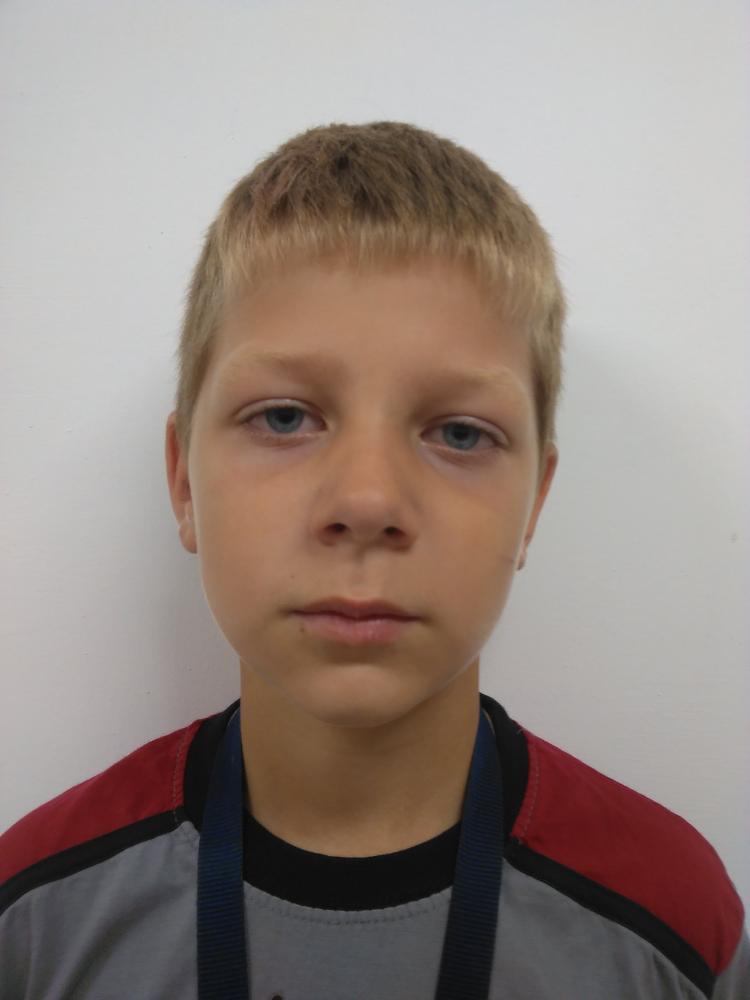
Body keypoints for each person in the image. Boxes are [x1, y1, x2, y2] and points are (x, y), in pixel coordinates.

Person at [1, 120, 747, 999]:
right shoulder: (32, 917)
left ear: (535, 504)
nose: (367, 502)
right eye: (284, 417)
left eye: (459, 433)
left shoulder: (673, 924)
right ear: (184, 482)